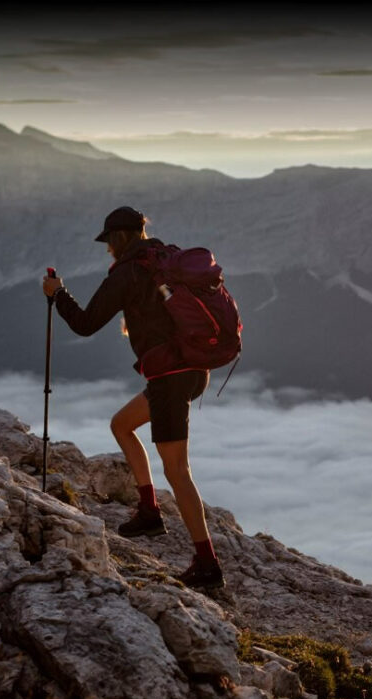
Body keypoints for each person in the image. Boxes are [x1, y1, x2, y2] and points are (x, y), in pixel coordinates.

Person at [41, 206, 223, 590]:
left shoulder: (126, 273)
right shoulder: (165, 258)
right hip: (191, 370)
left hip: (170, 377)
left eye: (108, 242)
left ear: (117, 239)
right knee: (122, 425)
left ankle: (207, 565)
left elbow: (86, 324)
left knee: (177, 471)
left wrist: (58, 295)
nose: (107, 250)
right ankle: (148, 511)